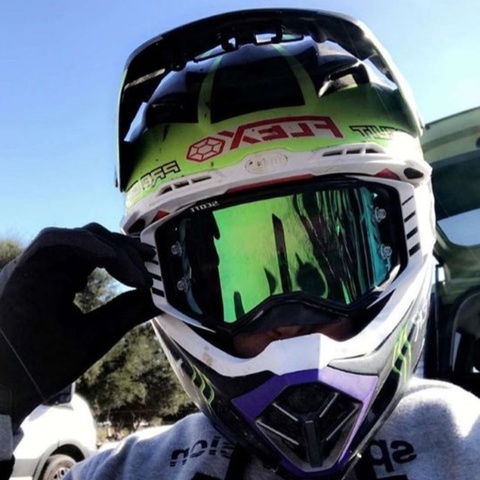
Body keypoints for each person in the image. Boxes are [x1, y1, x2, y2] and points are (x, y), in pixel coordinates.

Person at [1, 8, 480, 480]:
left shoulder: (466, 436)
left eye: (330, 263)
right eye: (236, 278)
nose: (289, 322)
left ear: (407, 233)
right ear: (164, 281)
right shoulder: (124, 471)